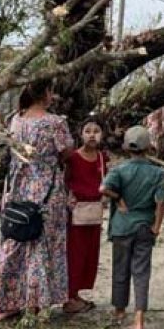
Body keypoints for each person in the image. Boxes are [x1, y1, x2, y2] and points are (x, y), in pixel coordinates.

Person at [0, 80, 74, 322]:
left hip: (16, 189)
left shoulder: (15, 120)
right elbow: (67, 153)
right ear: (45, 93)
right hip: (46, 191)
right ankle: (35, 302)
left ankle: (5, 302)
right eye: (50, 91)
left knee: (13, 240)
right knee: (42, 245)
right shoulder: (55, 123)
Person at [100, 126, 164, 329]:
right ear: (149, 147)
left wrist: (118, 199)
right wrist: (157, 226)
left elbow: (102, 189)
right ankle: (139, 318)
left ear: (125, 147)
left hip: (122, 227)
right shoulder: (157, 172)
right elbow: (161, 202)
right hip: (144, 227)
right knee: (141, 272)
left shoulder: (119, 170)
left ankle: (119, 311)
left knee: (121, 269)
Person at [64, 116, 108, 314]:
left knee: (90, 255)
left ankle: (76, 294)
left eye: (96, 131)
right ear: (80, 134)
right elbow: (64, 182)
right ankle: (69, 297)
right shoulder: (72, 158)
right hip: (76, 214)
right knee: (75, 255)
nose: (92, 135)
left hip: (95, 212)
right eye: (87, 131)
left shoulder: (102, 157)